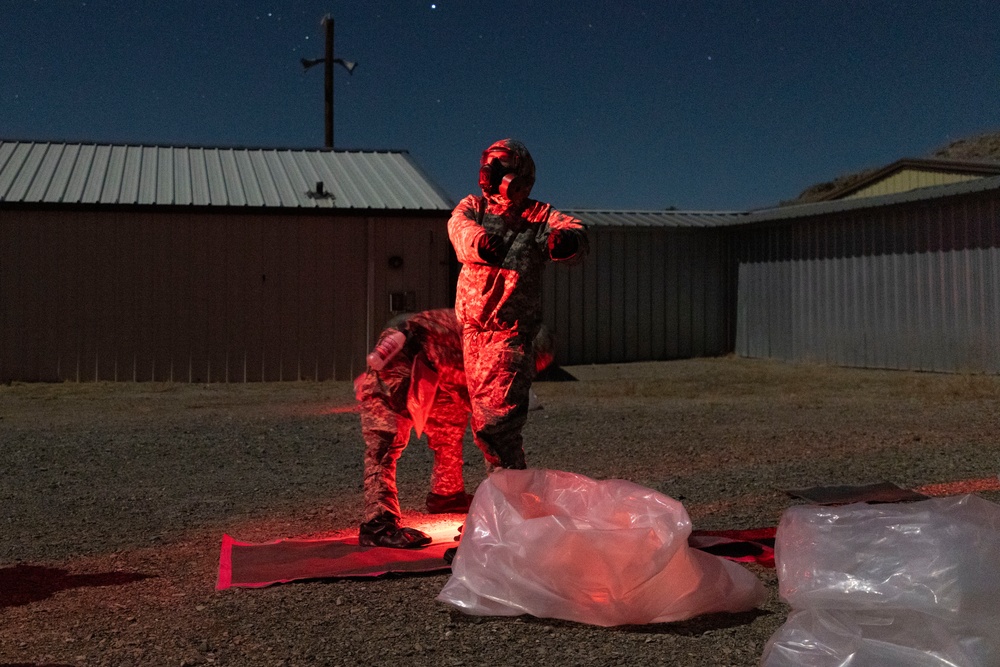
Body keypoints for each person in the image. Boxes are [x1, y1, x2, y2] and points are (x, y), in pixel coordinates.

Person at [356, 308, 554, 549]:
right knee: (385, 438)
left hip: (438, 362)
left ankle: (446, 495)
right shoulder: (489, 342)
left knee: (448, 427)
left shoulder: (493, 340)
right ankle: (378, 524)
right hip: (402, 353)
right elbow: (491, 419)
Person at [447, 138, 587, 474]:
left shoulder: (537, 216)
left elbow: (575, 231)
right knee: (487, 426)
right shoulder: (473, 208)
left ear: (519, 173)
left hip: (510, 334)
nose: (490, 175)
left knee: (497, 424)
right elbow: (459, 229)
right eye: (489, 166)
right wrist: (481, 243)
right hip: (473, 333)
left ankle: (509, 506)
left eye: (501, 167)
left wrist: (565, 241)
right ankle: (507, 506)